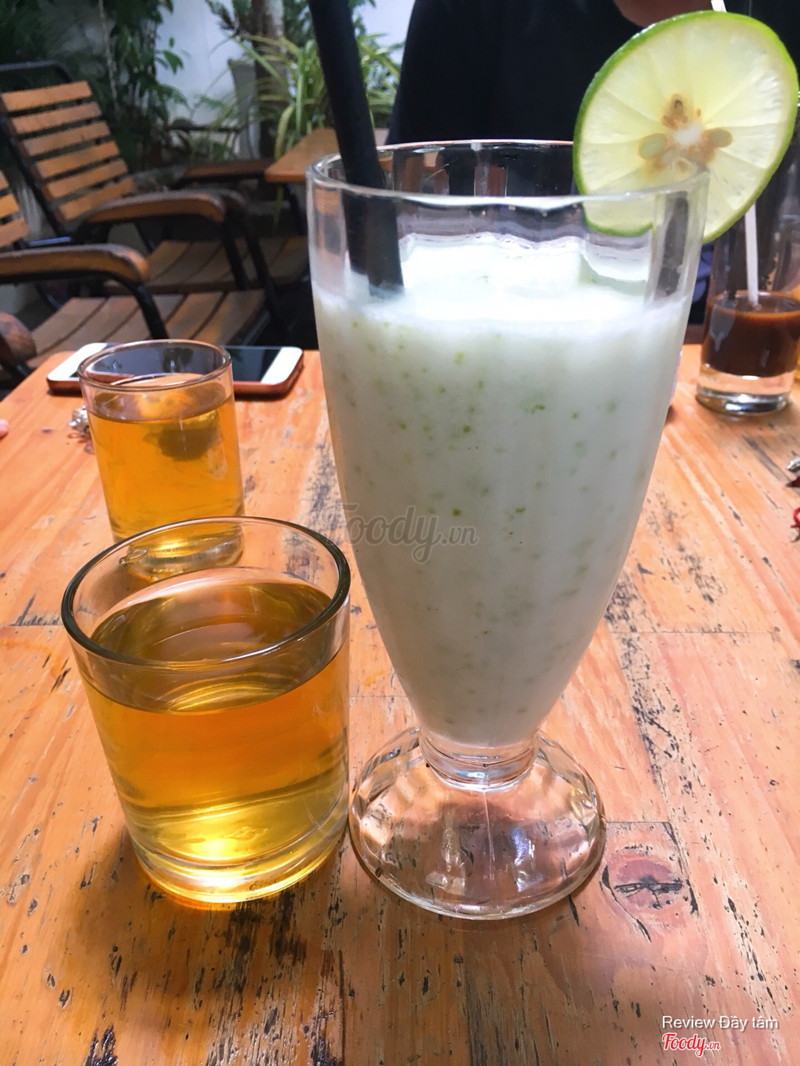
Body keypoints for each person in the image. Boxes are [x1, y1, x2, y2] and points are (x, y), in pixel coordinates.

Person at [388, 0, 800, 322]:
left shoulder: (778, 22)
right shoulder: (474, 11)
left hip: (697, 331)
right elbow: (407, 191)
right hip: (480, 317)